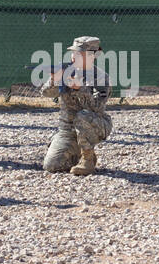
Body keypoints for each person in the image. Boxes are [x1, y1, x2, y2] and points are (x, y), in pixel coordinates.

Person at [40, 36, 112, 176]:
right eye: (73, 53)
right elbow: (46, 93)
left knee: (82, 116)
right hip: (68, 129)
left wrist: (80, 89)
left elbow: (97, 108)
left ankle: (88, 159)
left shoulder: (101, 77)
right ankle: (75, 151)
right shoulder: (66, 70)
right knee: (51, 166)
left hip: (95, 124)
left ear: (92, 56)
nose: (74, 56)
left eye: (79, 53)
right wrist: (54, 80)